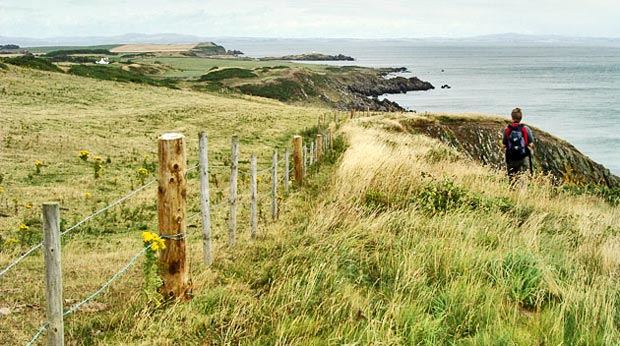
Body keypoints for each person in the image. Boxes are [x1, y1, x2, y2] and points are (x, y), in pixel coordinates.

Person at [502, 107, 535, 181]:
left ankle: (513, 190)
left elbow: (504, 145)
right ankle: (522, 192)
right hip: (523, 157)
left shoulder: (507, 129)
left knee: (512, 179)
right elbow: (531, 144)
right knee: (523, 179)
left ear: (512, 117)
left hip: (511, 158)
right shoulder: (525, 129)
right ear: (521, 118)